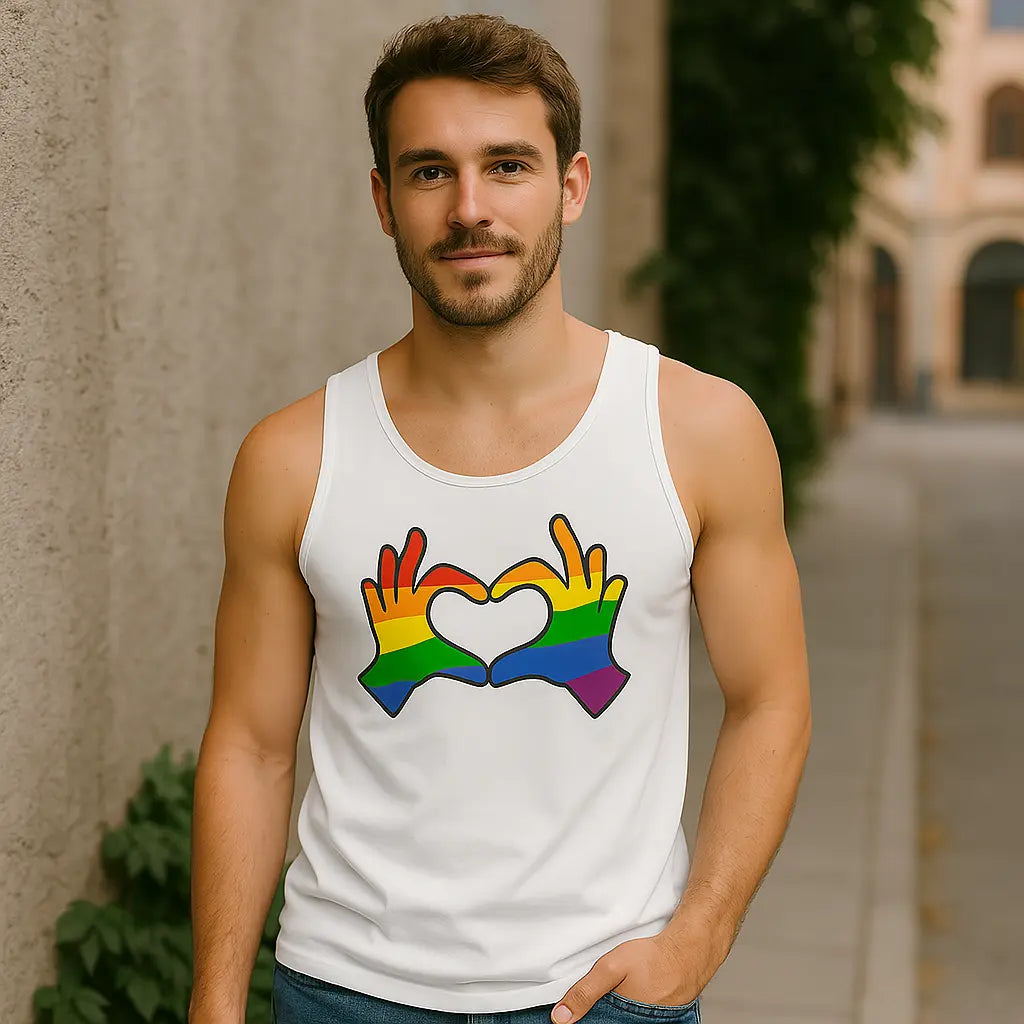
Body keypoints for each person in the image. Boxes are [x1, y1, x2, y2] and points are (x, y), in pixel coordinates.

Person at [188, 13, 811, 1024]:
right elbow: (250, 747)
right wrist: (215, 1003)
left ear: (570, 185)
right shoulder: (294, 456)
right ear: (385, 203)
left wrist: (695, 937)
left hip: (601, 995)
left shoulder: (697, 430)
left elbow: (771, 700)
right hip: (346, 990)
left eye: (507, 166)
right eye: (430, 172)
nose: (469, 208)